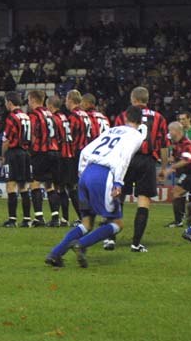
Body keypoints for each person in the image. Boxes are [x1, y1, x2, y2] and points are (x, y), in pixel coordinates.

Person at [45, 106, 144, 268]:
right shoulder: (136, 136)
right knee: (117, 223)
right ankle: (81, 244)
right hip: (104, 176)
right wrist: (118, 182)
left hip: (87, 173)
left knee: (86, 223)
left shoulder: (112, 130)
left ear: (125, 118)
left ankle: (56, 253)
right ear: (140, 122)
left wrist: (82, 174)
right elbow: (124, 158)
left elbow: (84, 151)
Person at [104, 87, 168, 252]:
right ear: (147, 100)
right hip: (146, 161)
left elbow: (115, 141)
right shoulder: (159, 118)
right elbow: (163, 146)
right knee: (144, 200)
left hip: (125, 160)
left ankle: (110, 239)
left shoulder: (123, 116)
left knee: (118, 196)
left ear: (132, 99)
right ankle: (136, 243)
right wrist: (163, 167)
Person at [159, 122, 191, 227]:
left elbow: (186, 160)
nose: (169, 133)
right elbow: (175, 158)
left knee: (176, 192)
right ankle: (190, 214)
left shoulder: (187, 144)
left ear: (176, 131)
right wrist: (160, 159)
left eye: (170, 130)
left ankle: (178, 221)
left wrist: (170, 169)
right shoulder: (177, 144)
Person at [27, 90, 61, 227]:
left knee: (35, 183)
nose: (28, 103)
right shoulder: (50, 114)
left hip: (41, 152)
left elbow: (34, 135)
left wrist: (31, 150)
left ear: (33, 100)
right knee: (49, 185)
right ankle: (55, 218)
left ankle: (39, 218)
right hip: (54, 151)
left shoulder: (35, 115)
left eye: (29, 100)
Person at [0, 92, 32, 227]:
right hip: (25, 153)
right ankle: (26, 219)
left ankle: (12, 220)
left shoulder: (12, 117)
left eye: (6, 102)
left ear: (10, 103)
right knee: (23, 187)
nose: (5, 105)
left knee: (11, 185)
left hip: (13, 153)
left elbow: (6, 141)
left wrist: (2, 155)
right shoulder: (26, 116)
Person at [63, 89, 91, 224]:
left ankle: (83, 216)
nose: (65, 102)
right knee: (81, 184)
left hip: (76, 153)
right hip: (86, 152)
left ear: (70, 100)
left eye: (66, 99)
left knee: (72, 185)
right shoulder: (85, 115)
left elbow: (70, 136)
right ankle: (86, 214)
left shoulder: (73, 116)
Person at [48, 95, 74, 226]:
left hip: (61, 154)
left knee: (58, 187)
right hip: (69, 154)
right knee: (64, 187)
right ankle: (65, 218)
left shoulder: (54, 118)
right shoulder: (64, 116)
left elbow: (55, 137)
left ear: (51, 107)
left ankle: (58, 218)